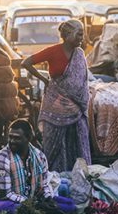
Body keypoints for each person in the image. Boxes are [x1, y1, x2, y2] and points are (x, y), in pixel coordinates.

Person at [21, 19, 91, 172]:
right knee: (55, 144)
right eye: (78, 35)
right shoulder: (53, 51)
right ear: (67, 35)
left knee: (76, 141)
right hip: (55, 104)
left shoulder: (79, 54)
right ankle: (52, 175)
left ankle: (79, 175)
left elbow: (82, 81)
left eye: (82, 35)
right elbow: (26, 63)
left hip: (76, 107)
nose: (81, 38)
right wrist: (44, 79)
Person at [0, 120, 53, 214]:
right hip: (1, 201)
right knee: (14, 209)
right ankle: (34, 210)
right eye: (10, 137)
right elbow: (5, 195)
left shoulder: (39, 156)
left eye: (17, 138)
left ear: (28, 138)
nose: (12, 141)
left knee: (68, 205)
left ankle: (36, 209)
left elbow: (44, 185)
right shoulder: (1, 158)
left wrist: (48, 198)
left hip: (29, 200)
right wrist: (33, 204)